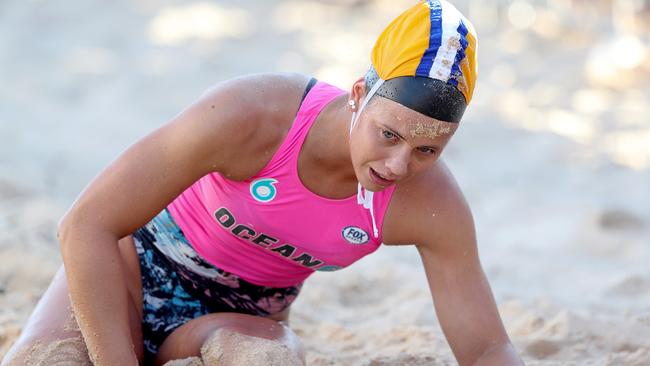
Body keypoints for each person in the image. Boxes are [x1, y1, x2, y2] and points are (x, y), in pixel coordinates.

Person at [2, 1, 523, 365]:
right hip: (127, 278)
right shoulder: (251, 115)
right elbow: (85, 225)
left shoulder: (429, 203)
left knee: (265, 359)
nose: (397, 165)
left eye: (428, 150)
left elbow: (486, 350)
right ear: (359, 93)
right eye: (387, 134)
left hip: (236, 325)